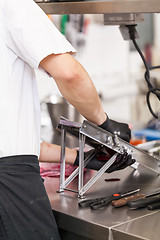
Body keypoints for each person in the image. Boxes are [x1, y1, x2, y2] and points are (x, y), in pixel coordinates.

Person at [0, 0, 132, 239]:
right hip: (10, 188)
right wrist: (104, 125)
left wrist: (79, 157)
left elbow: (10, 140)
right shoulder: (12, 5)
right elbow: (70, 74)